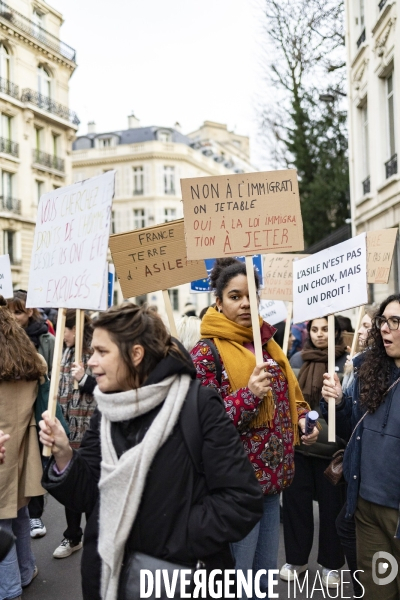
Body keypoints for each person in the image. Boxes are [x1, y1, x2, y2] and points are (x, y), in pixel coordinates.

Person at [39, 302, 263, 600]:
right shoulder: (106, 409)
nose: (91, 362)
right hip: (112, 577)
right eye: (92, 351)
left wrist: (174, 537)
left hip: (184, 579)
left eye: (102, 352)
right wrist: (64, 454)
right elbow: (87, 495)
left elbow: (242, 499)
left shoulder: (197, 405)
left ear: (136, 354)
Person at [190, 257, 318, 600]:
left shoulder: (269, 344)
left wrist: (303, 419)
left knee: (264, 580)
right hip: (235, 487)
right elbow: (202, 423)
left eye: (251, 296)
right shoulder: (206, 352)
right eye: (235, 296)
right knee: (237, 580)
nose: (246, 303)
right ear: (218, 302)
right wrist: (248, 395)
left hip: (274, 481)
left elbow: (290, 397)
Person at [322, 294, 400, 598]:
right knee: (378, 591)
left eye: (396, 322)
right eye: (384, 321)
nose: (385, 329)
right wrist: (340, 402)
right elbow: (352, 432)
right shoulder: (370, 371)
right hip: (366, 507)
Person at [280, 317, 348, 587]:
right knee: (296, 506)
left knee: (332, 509)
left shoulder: (347, 361)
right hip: (299, 446)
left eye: (326, 329)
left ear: (337, 332)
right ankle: (296, 559)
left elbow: (348, 406)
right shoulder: (296, 359)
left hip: (331, 450)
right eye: (315, 329)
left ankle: (331, 564)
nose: (319, 334)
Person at [0, 295, 47, 600]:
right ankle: (26, 570)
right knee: (17, 513)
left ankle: (9, 589)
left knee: (2, 523)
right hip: (21, 450)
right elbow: (43, 369)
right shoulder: (29, 358)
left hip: (3, 450)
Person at [331, 306, 374, 598]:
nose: (361, 329)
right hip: (356, 460)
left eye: (368, 324)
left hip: (373, 467)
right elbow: (350, 421)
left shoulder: (374, 369)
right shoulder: (354, 366)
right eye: (360, 324)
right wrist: (334, 402)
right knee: (347, 525)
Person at [7, 291, 56, 540]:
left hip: (34, 416)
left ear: (29, 311)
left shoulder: (44, 340)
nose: (14, 317)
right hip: (19, 422)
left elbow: (49, 377)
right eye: (10, 312)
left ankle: (35, 514)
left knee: (34, 469)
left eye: (18, 311)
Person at [53, 309, 97, 559]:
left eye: (64, 330)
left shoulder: (95, 351)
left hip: (91, 432)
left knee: (91, 487)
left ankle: (94, 538)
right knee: (71, 485)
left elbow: (111, 388)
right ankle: (72, 536)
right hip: (69, 430)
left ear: (75, 329)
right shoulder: (67, 351)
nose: (61, 336)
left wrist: (85, 380)